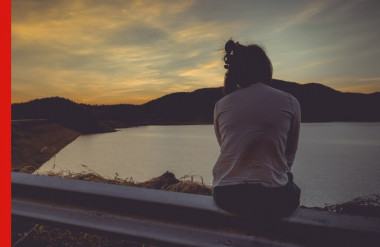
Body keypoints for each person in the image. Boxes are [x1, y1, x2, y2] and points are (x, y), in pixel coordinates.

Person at [212, 39, 301, 218]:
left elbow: (225, 146)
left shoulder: (221, 105)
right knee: (293, 188)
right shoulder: (290, 101)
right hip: (273, 197)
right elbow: (289, 154)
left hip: (225, 194)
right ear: (265, 68)